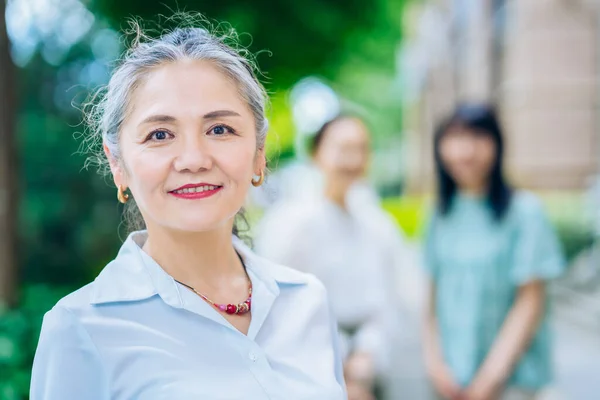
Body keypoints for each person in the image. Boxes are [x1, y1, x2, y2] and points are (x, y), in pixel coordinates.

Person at [30, 17, 346, 400]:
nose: (194, 159)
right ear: (118, 164)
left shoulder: (307, 300)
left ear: (259, 154)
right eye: (160, 135)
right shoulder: (81, 327)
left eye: (219, 130)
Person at [422, 104, 565, 400]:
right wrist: (435, 364)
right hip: (450, 381)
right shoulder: (439, 215)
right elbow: (431, 297)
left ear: (497, 145)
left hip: (512, 382)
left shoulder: (525, 212)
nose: (465, 151)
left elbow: (529, 302)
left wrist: (489, 379)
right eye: (454, 138)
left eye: (477, 137)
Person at [256, 115, 396, 400]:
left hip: (368, 371)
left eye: (361, 149)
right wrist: (341, 365)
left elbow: (386, 301)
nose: (353, 160)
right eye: (343, 148)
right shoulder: (289, 222)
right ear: (317, 153)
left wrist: (367, 356)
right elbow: (281, 305)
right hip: (310, 370)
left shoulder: (374, 221)